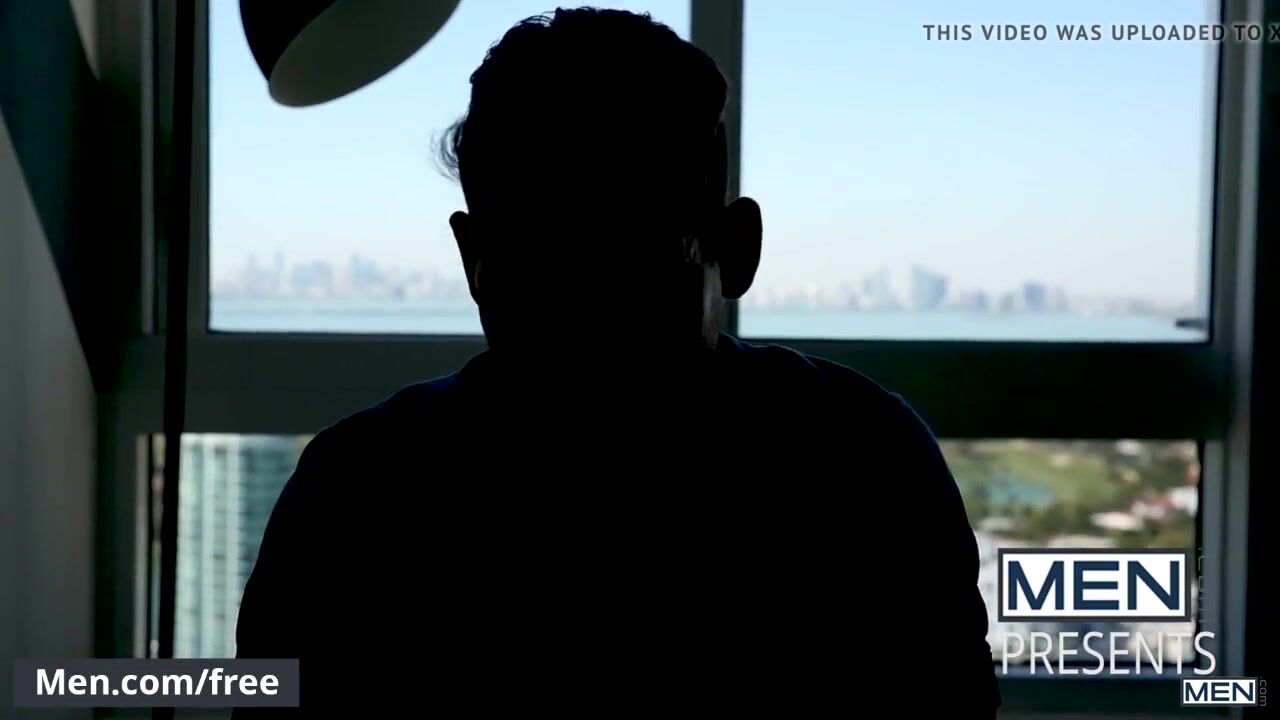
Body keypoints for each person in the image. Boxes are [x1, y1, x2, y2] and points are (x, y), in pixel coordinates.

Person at [234, 7, 1000, 716]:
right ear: (739, 247)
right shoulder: (859, 453)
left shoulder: (361, 485)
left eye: (622, 255)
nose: (585, 305)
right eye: (549, 255)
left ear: (474, 260)